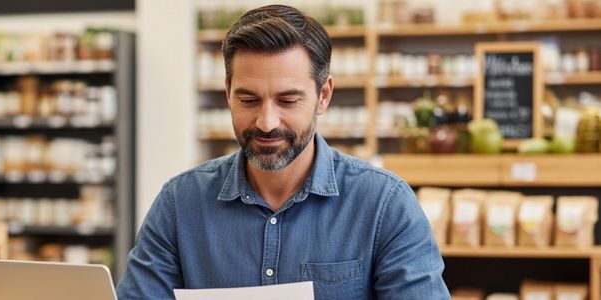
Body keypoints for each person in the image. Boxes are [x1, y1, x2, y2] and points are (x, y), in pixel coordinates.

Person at [117, 4, 449, 299]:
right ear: (227, 92)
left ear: (323, 96)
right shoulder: (179, 205)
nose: (265, 122)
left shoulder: (384, 205)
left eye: (288, 100)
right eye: (248, 100)